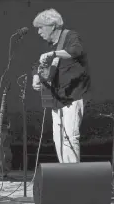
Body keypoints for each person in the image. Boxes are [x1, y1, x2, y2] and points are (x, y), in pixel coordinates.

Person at [32, 9, 91, 163]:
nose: (38, 32)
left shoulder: (71, 36)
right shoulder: (48, 44)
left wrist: (54, 54)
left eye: (41, 27)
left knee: (70, 137)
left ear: (52, 26)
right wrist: (35, 77)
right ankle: (64, 175)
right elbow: (36, 63)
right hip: (56, 98)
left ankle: (73, 178)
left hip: (72, 96)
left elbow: (76, 51)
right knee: (57, 138)